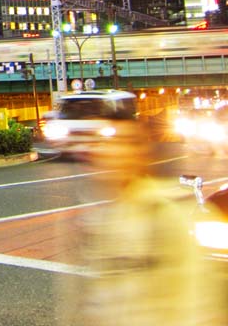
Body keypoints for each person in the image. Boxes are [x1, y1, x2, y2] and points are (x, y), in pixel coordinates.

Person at [58, 119, 221, 325]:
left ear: (140, 155)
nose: (108, 151)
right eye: (105, 143)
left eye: (120, 143)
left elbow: (195, 297)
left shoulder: (168, 211)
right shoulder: (102, 221)